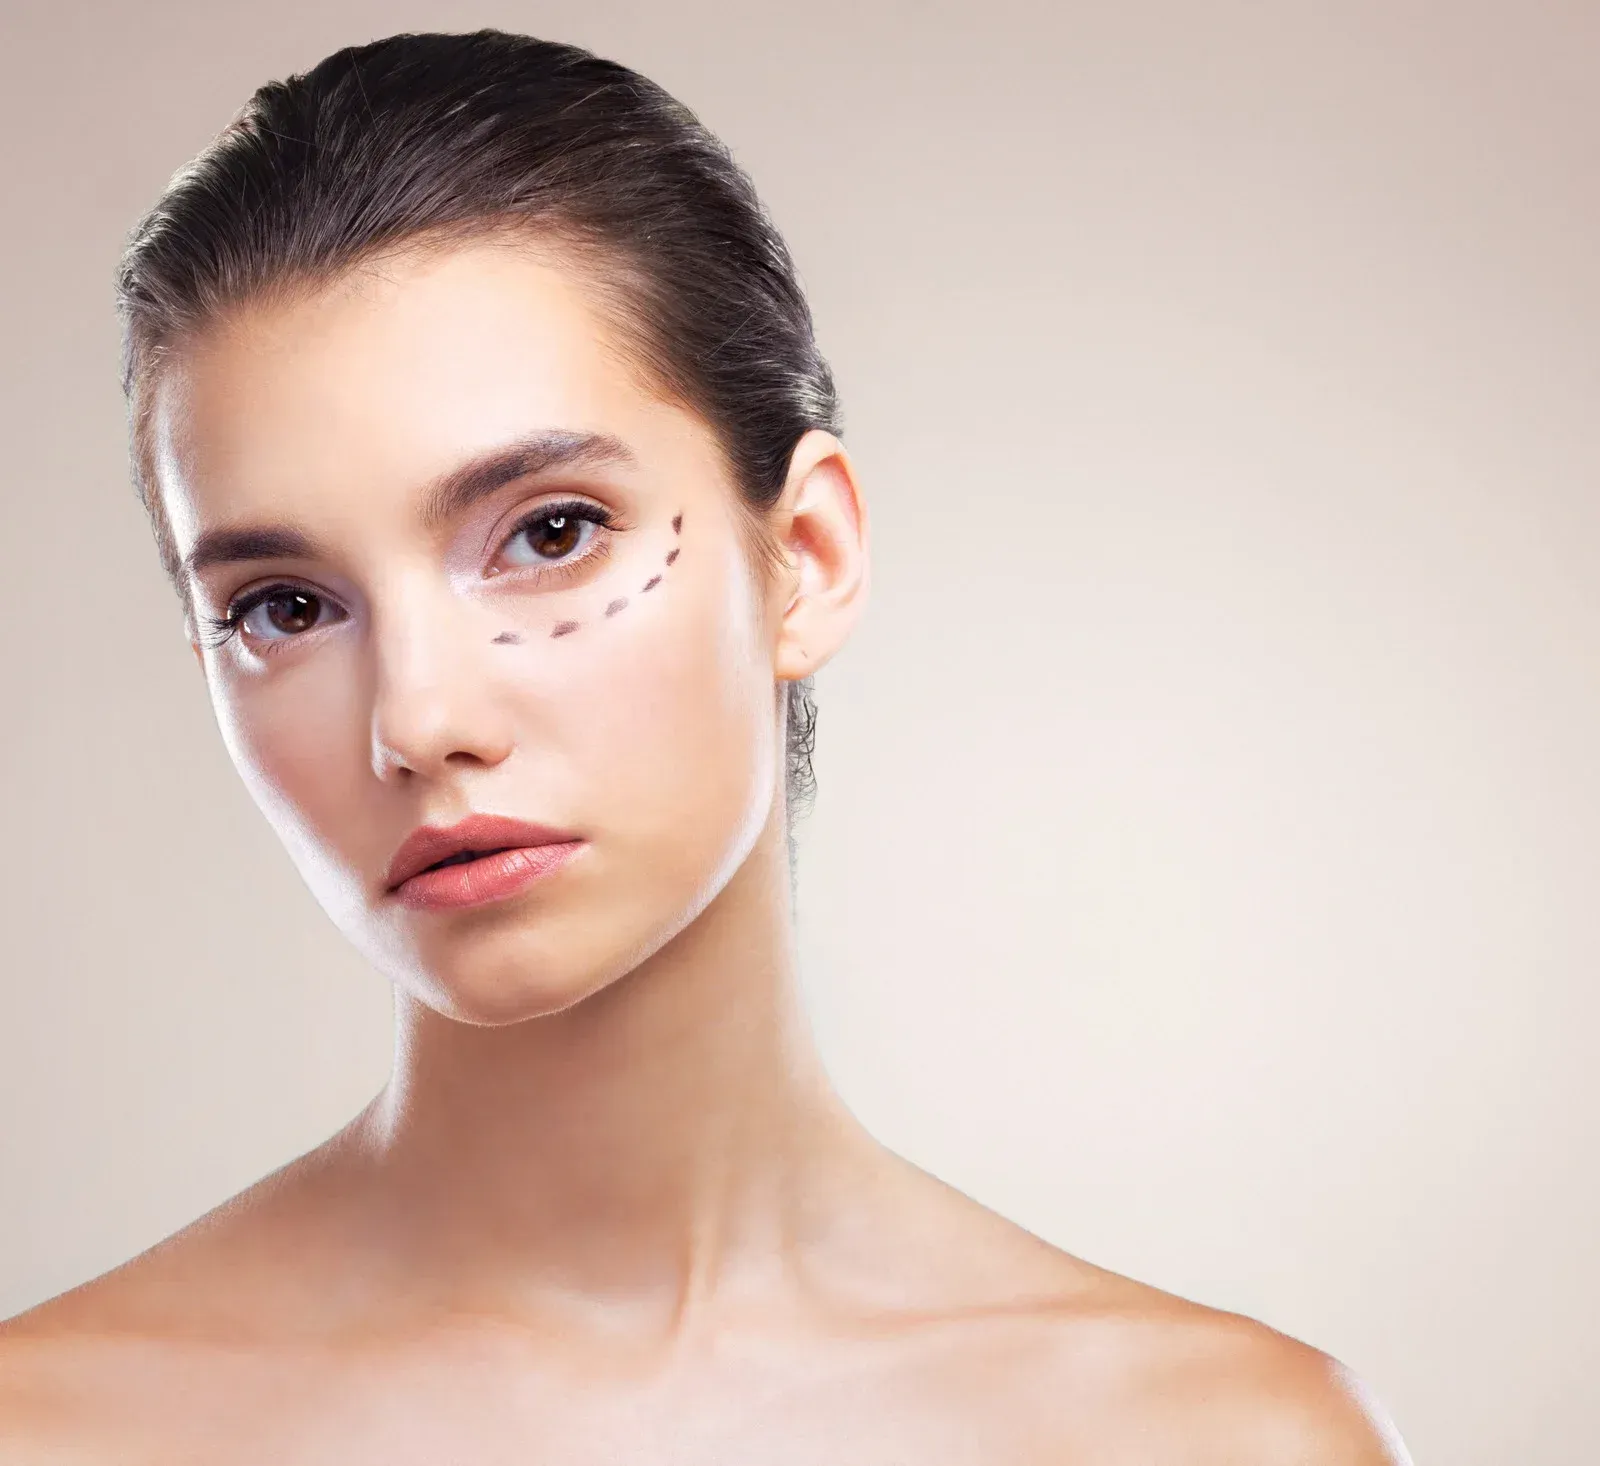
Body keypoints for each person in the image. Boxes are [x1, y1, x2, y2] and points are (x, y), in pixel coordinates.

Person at [0, 29, 1412, 1463]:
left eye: (550, 532)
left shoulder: (1224, 1438)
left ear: (804, 554)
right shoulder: (47, 1425)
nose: (420, 719)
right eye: (283, 606)